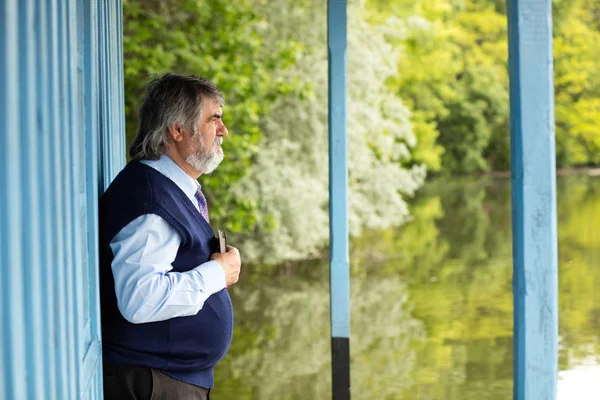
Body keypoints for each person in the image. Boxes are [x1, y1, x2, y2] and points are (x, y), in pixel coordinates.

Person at [99, 73, 242, 400]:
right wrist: (217, 274)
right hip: (154, 381)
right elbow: (140, 298)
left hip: (166, 377)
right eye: (214, 120)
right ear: (177, 129)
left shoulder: (169, 188)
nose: (223, 130)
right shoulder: (151, 199)